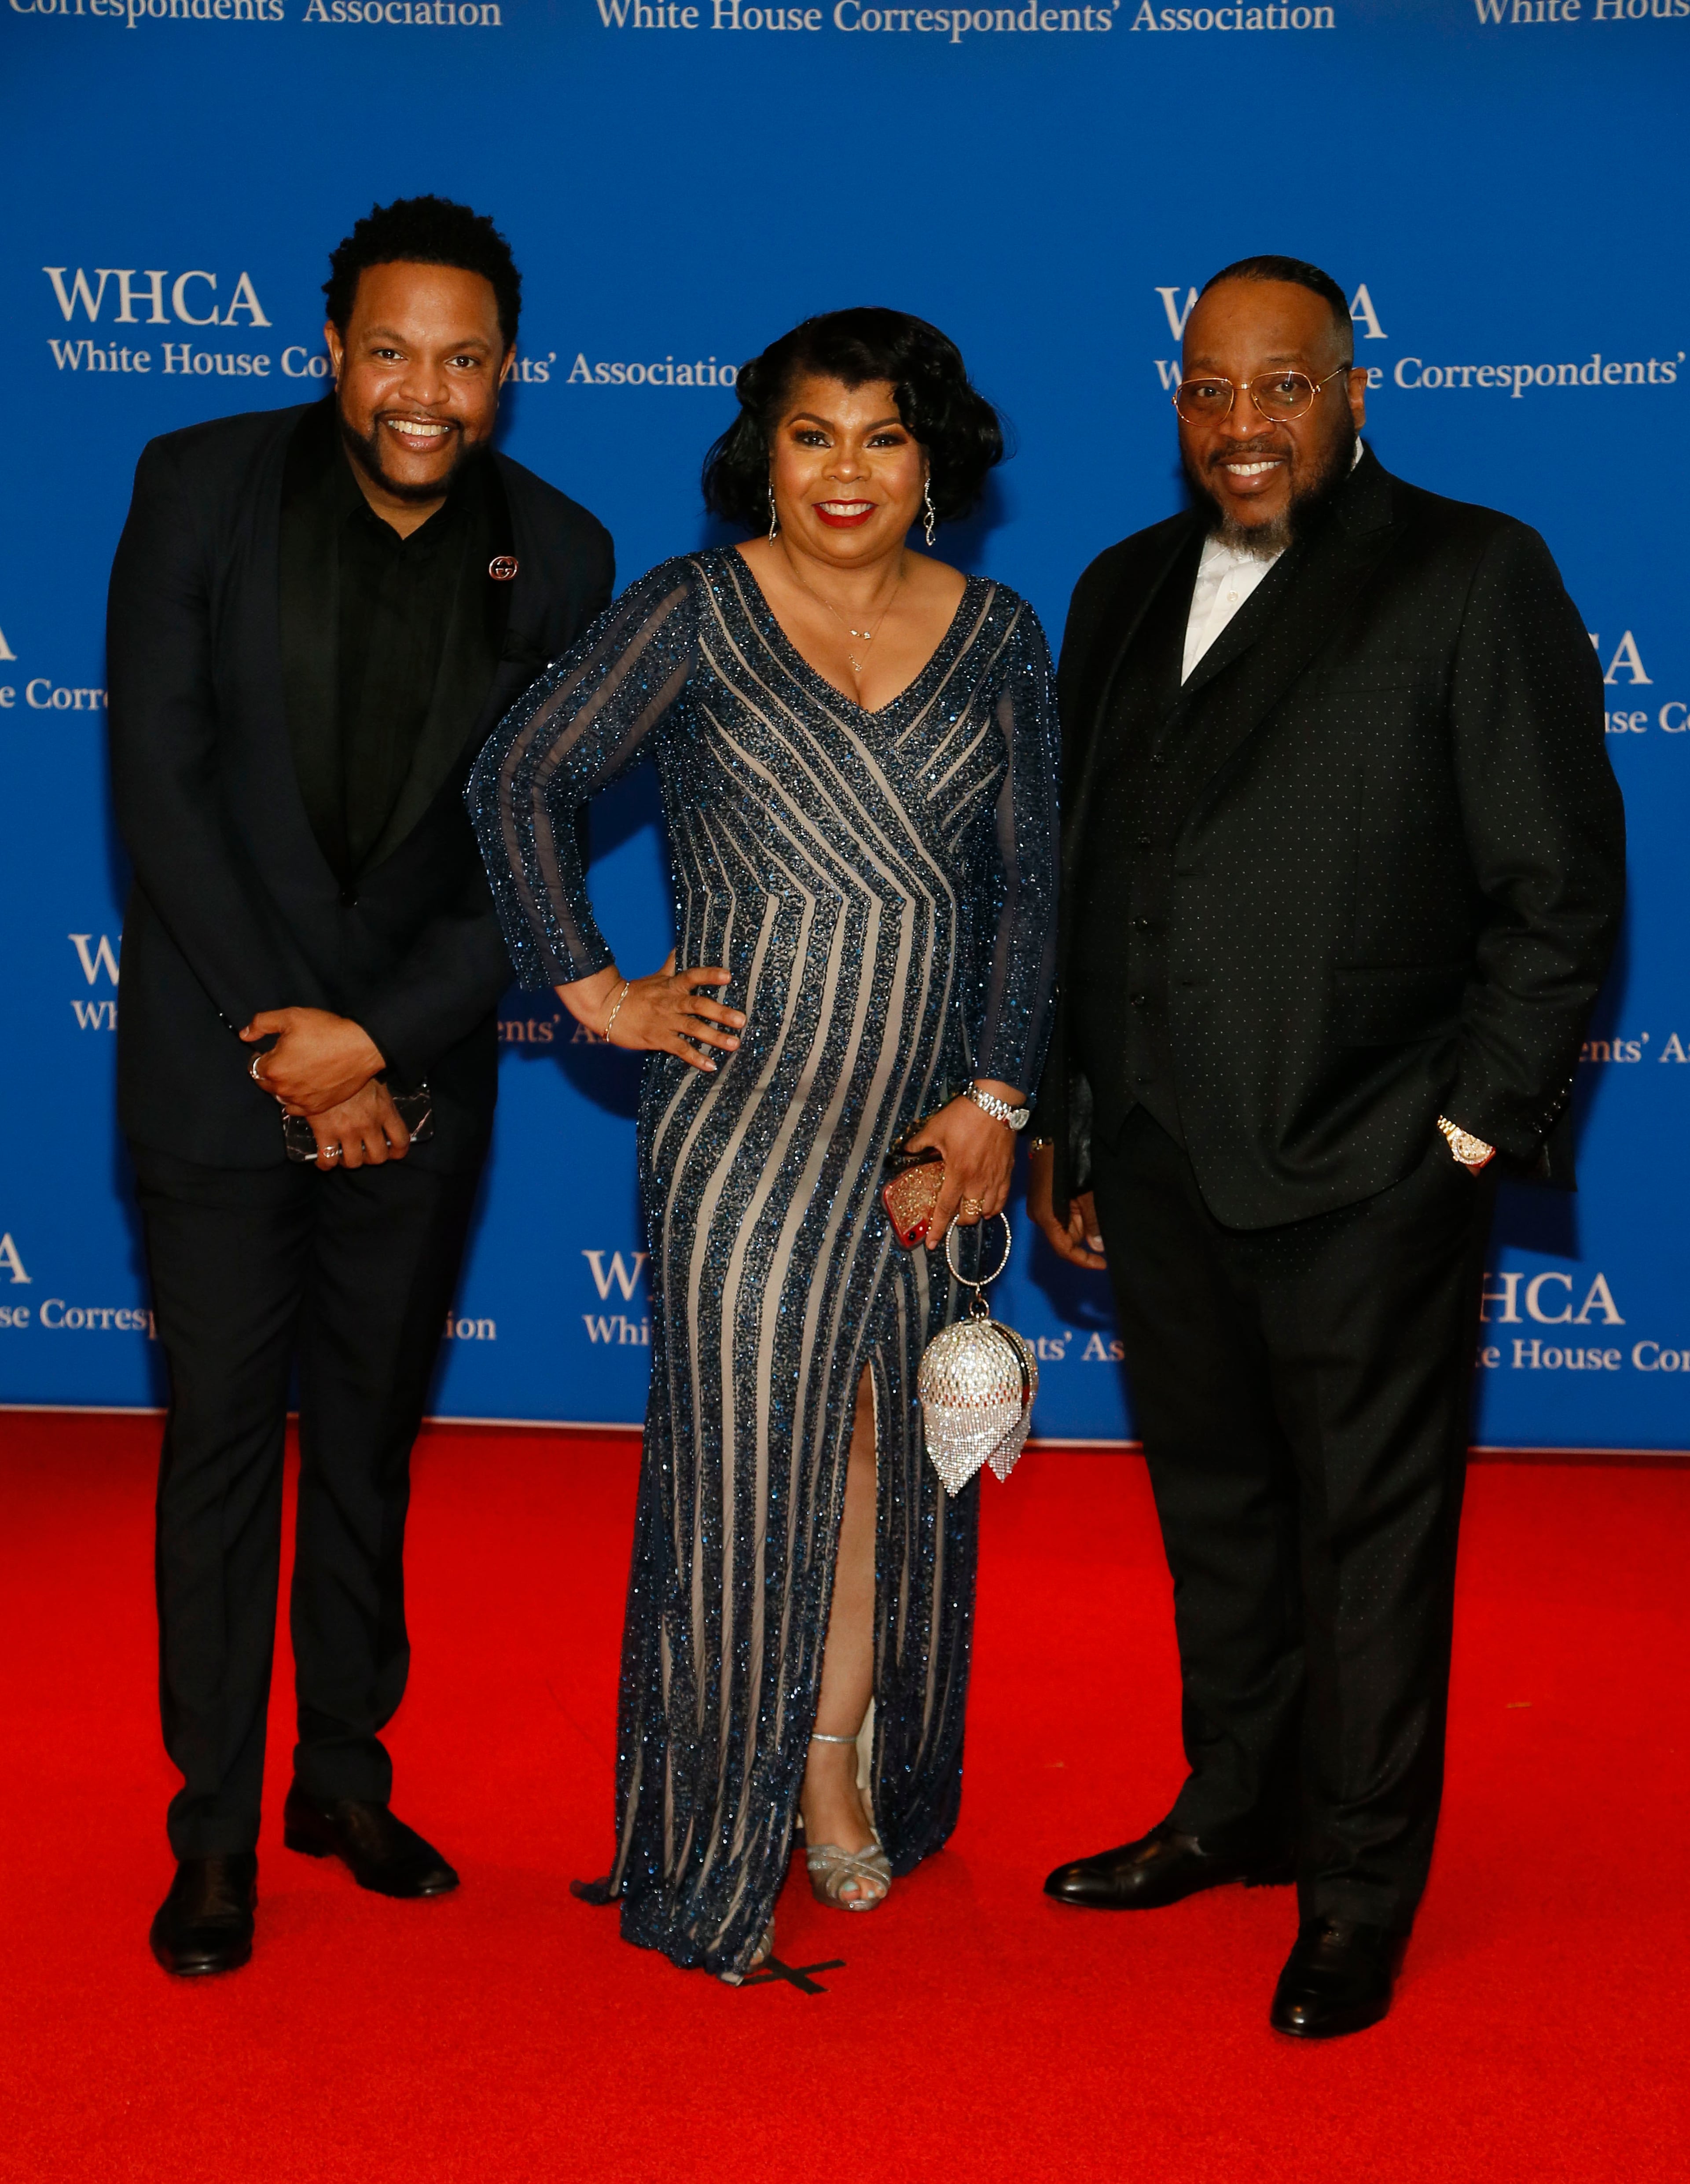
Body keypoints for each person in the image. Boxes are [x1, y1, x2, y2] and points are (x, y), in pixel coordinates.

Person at [1029, 256, 1624, 2038]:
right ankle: (1241, 1806)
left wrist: (1460, 1127)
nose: (1241, 425)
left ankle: (1362, 1885)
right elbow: (1092, 881)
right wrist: (1073, 1112)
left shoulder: (1469, 570)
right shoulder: (1118, 586)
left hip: (1370, 1159)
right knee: (1218, 1517)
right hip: (1152, 1154)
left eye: (1280, 388)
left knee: (1368, 1540)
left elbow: (1557, 881)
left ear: (1353, 390)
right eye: (1209, 390)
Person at [469, 307, 1058, 1982]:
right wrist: (592, 985)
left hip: (924, 1121)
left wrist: (999, 1098)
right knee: (743, 1470)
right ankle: (715, 1816)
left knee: (883, 1460)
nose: (849, 468)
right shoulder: (694, 610)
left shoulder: (999, 631)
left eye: (884, 435)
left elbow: (1028, 893)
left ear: (931, 458)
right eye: (815, 434)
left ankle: (830, 1760)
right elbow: (520, 780)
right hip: (739, 1120)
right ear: (766, 454)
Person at [107, 195, 614, 1978]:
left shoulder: (560, 552)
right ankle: (217, 1829)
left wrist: (380, 1044)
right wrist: (300, 1040)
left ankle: (343, 1776)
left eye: (463, 358)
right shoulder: (200, 485)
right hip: (222, 1064)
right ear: (331, 347)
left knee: (372, 1448)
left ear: (506, 374)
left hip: (418, 1081)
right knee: (226, 1448)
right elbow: (159, 787)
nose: (425, 388)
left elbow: (530, 863)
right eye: (392, 349)